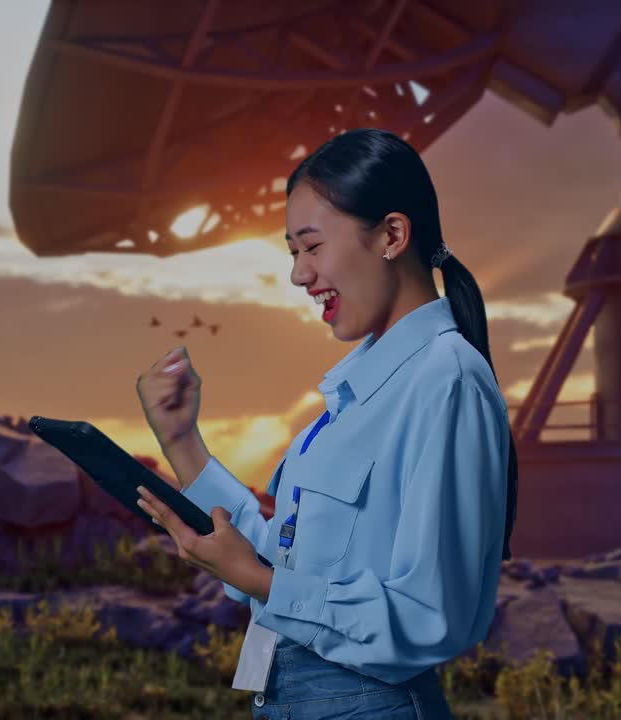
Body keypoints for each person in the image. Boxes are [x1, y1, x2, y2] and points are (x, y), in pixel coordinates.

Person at [134, 127, 517, 719]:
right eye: (293, 252)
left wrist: (263, 586)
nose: (298, 275)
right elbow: (282, 565)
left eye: (311, 247)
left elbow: (432, 617)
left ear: (392, 234)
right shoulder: (350, 398)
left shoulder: (447, 381)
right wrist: (182, 441)